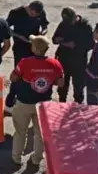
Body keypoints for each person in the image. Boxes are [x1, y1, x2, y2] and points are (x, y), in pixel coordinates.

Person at [9, 35, 63, 167]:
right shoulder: (55, 63)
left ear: (34, 48)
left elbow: (13, 78)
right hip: (44, 104)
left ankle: (16, 158)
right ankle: (36, 159)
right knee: (40, 134)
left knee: (20, 131)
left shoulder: (25, 62)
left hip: (24, 102)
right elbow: (61, 83)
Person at [4, 1, 48, 114]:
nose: (34, 16)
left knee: (34, 75)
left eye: (36, 15)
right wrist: (20, 37)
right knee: (18, 75)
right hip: (20, 48)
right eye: (32, 14)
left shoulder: (40, 13)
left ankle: (29, 101)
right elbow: (7, 28)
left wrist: (42, 33)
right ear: (29, 8)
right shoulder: (16, 13)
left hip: (35, 49)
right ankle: (10, 102)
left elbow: (45, 26)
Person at [52, 7, 94, 103]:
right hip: (63, 59)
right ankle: (61, 104)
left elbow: (91, 44)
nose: (69, 24)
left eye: (71, 21)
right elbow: (54, 39)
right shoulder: (64, 24)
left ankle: (78, 106)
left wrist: (76, 46)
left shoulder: (85, 26)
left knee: (78, 88)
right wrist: (59, 40)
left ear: (76, 17)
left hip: (78, 61)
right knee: (62, 87)